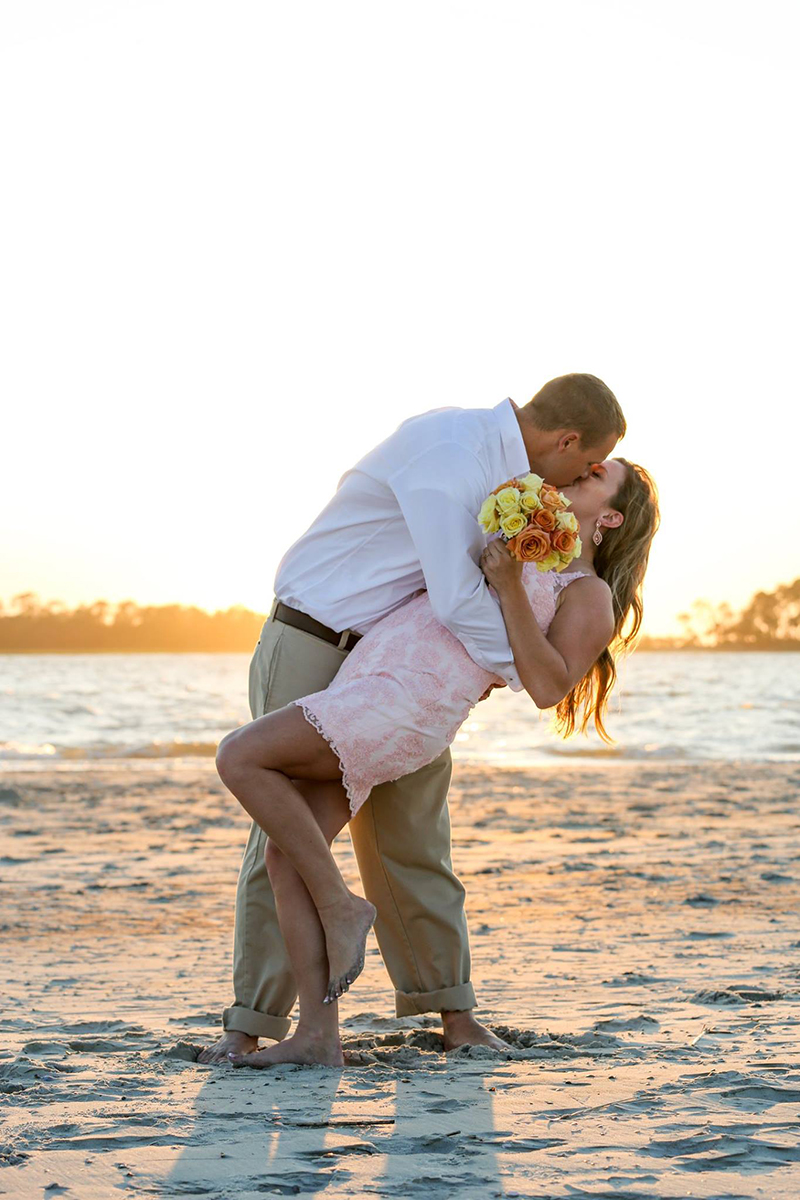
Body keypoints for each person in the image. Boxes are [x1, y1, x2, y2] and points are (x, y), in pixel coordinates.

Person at [199, 373, 627, 1067]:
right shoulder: (451, 451)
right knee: (282, 838)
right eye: (584, 464)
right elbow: (461, 599)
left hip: (398, 670)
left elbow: (496, 600)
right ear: (566, 439)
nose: (582, 477)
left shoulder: (519, 491)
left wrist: (490, 668)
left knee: (415, 841)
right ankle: (252, 1025)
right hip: (319, 640)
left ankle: (453, 1017)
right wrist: (511, 668)